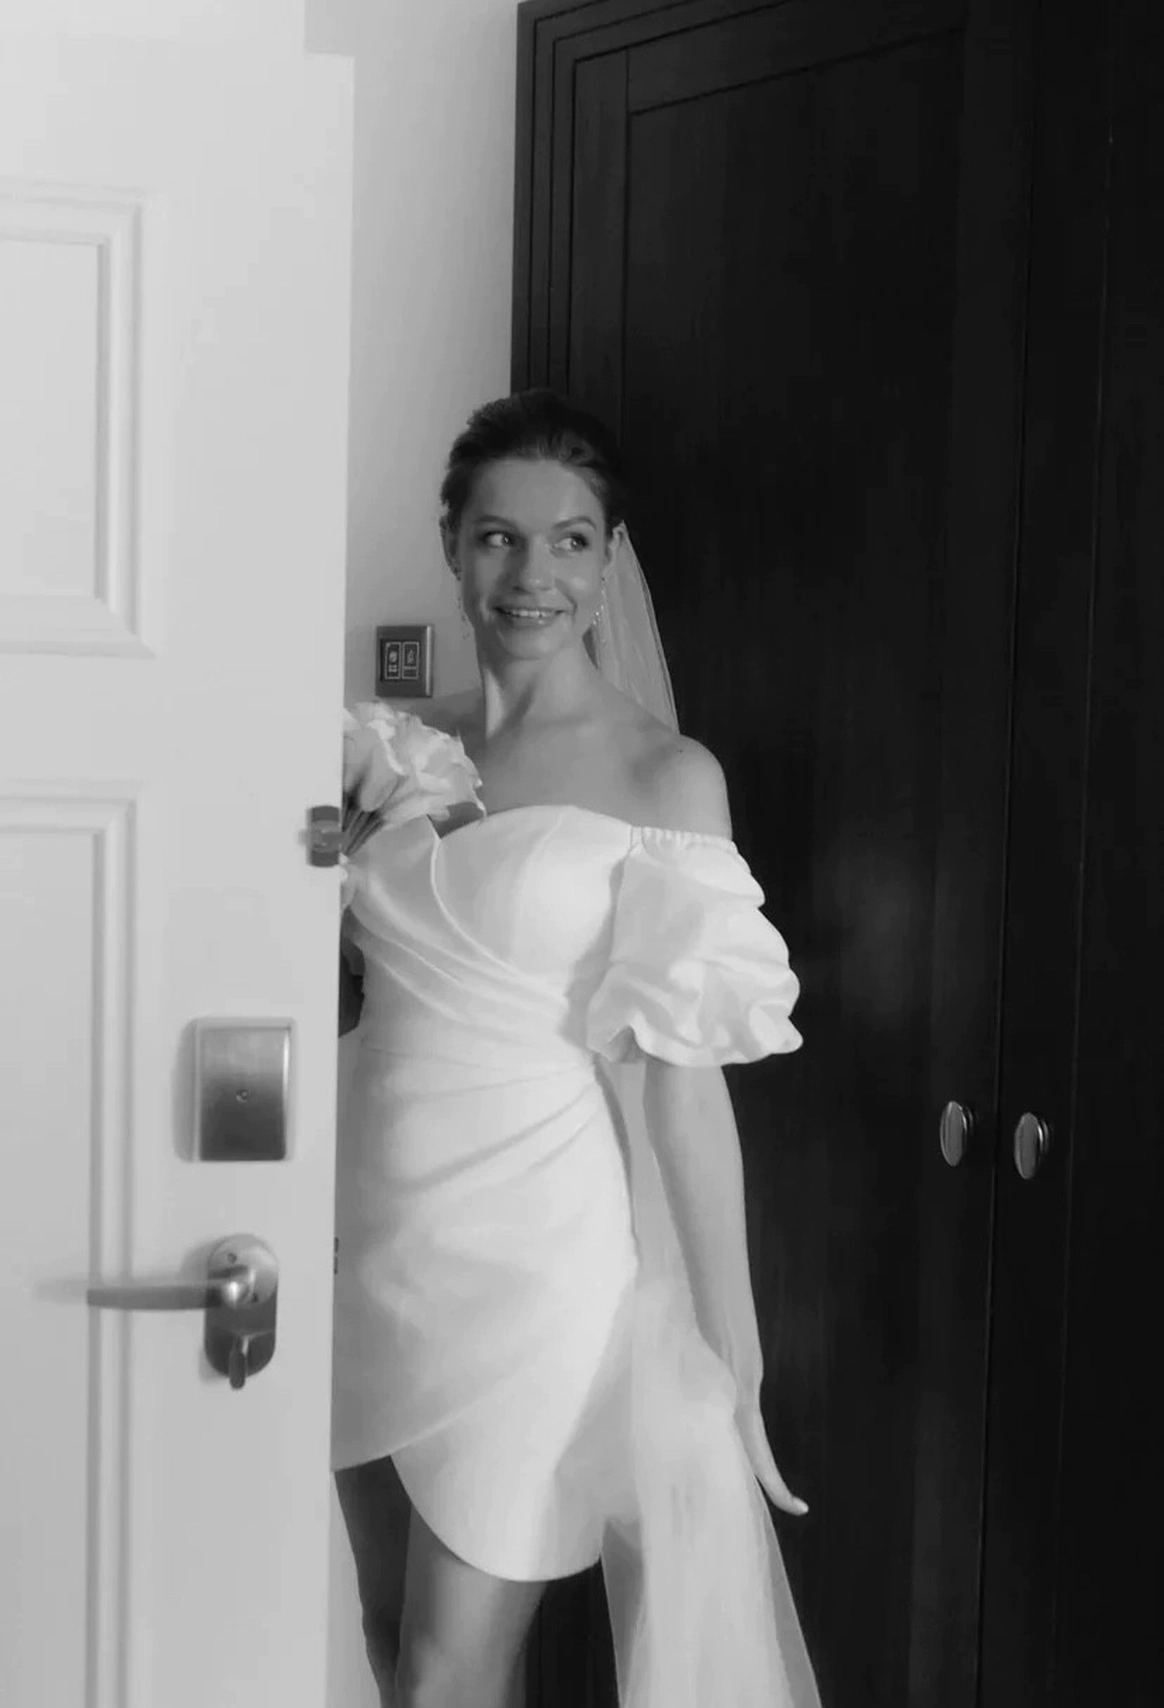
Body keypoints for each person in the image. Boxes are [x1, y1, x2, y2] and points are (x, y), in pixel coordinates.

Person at [332, 389, 821, 1708]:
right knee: (385, 1631)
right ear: (453, 546)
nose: (530, 573)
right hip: (368, 1239)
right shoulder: (383, 753)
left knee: (445, 1670)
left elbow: (684, 1092)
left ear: (609, 567)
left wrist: (735, 1349)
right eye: (498, 536)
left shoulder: (667, 779)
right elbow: (317, 978)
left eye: (569, 540)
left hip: (535, 1263)